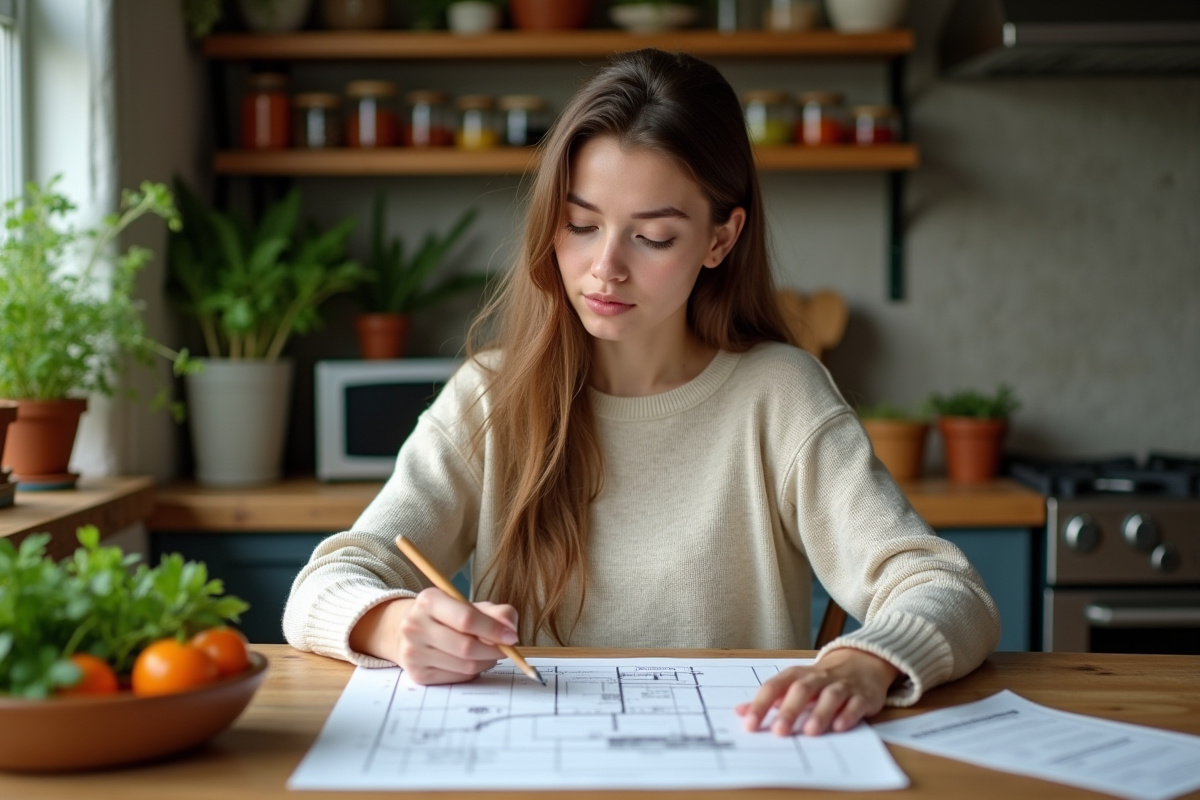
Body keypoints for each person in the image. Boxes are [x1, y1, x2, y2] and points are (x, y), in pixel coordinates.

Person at [284, 48, 999, 737]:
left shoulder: (779, 394)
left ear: (721, 239)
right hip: (535, 766)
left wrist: (865, 660)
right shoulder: (491, 397)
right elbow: (327, 582)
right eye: (581, 225)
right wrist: (391, 623)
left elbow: (945, 587)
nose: (605, 269)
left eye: (653, 237)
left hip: (736, 765)